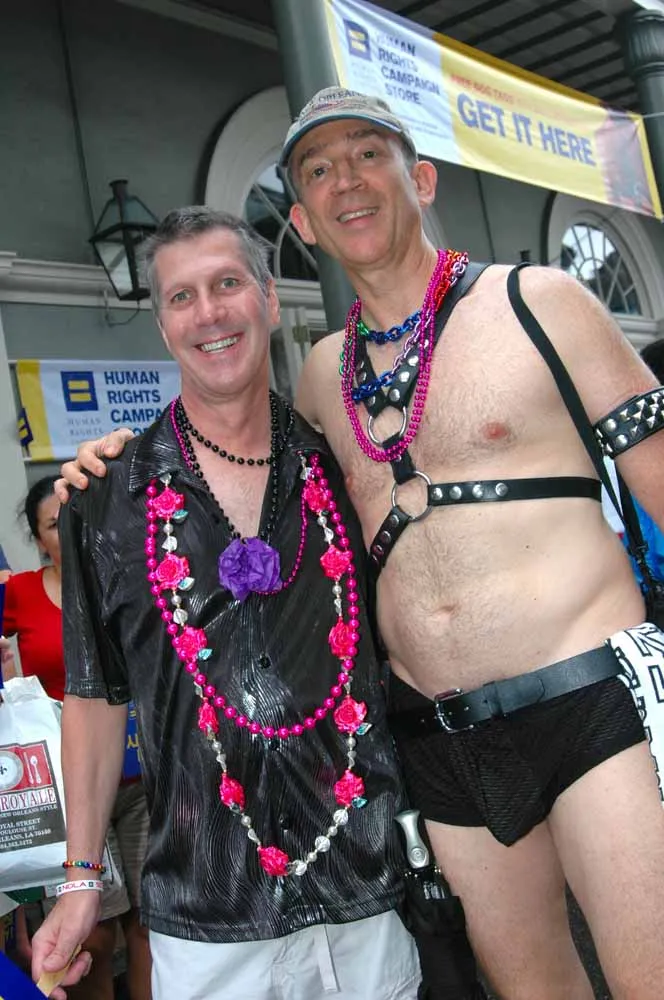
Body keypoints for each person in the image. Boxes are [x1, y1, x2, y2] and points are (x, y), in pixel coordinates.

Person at [65, 90, 664, 999]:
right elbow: (234, 454)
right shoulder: (320, 377)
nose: (345, 179)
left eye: (367, 155)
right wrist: (112, 461)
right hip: (442, 743)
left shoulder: (540, 302)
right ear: (302, 221)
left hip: (587, 700)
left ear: (421, 179)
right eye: (317, 169)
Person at [32, 208, 420, 1000]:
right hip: (205, 913)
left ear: (269, 300)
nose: (208, 313)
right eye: (182, 296)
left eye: (228, 284)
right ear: (163, 324)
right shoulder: (104, 499)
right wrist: (79, 881)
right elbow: (95, 698)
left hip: (367, 889)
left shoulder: (347, 469)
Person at [1, 476, 152, 1000]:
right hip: (70, 786)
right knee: (93, 932)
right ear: (37, 538)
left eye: (76, 520)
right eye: (53, 525)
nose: (68, 532)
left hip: (141, 774)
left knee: (150, 921)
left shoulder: (128, 580)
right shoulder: (18, 593)